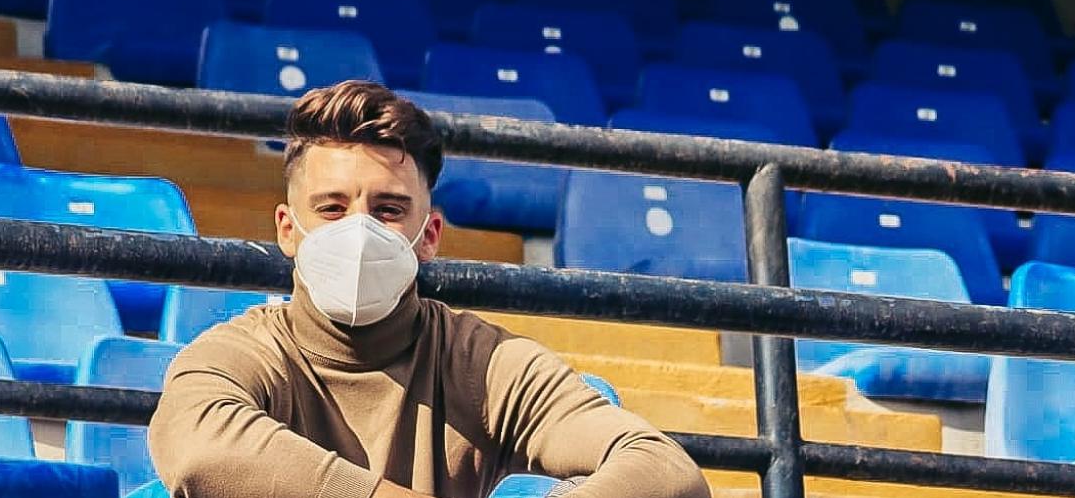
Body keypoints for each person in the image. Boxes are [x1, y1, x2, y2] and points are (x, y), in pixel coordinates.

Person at [149, 80, 709, 498]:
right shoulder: (238, 353)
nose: (359, 230)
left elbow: (663, 469)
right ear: (287, 230)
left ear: (429, 234)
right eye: (332, 208)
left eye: (388, 209)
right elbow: (202, 448)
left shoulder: (484, 363)